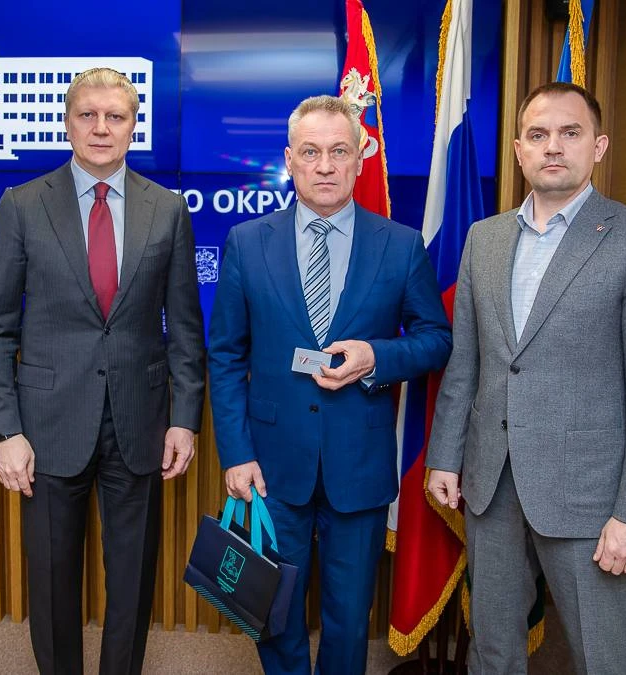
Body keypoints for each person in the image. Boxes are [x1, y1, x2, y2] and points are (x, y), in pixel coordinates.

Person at [426, 82, 626, 674]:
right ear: (519, 150)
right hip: (491, 483)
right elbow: (467, 362)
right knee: (492, 648)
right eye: (538, 134)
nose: (553, 146)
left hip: (591, 497)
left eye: (570, 133)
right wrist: (445, 456)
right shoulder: (484, 238)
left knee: (605, 657)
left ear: (598, 146)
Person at [207, 95, 452, 674]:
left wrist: (376, 356)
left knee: (348, 616)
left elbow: (436, 339)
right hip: (270, 466)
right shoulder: (247, 242)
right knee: (272, 607)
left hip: (359, 462)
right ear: (289, 159)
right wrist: (236, 453)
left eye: (339, 151)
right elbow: (226, 355)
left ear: (360, 159)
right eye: (311, 152)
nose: (324, 165)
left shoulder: (399, 244)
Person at [0, 67, 205, 675]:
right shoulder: (23, 205)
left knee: (133, 580)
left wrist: (184, 420)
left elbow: (185, 329)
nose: (101, 128)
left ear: (133, 126)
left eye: (115, 116)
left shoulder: (168, 210)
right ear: (68, 122)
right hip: (46, 428)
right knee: (52, 581)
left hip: (140, 423)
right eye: (88, 115)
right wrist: (5, 431)